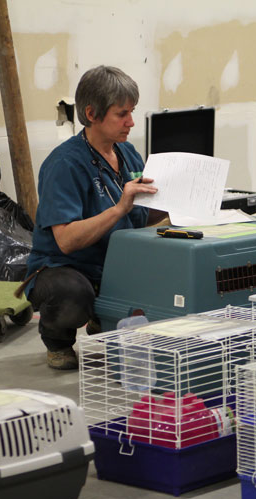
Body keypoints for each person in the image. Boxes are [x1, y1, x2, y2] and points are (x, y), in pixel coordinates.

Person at [21, 65, 162, 370]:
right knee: (72, 294)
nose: (131, 122)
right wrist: (118, 208)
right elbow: (67, 240)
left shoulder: (129, 155)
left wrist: (182, 209)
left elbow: (142, 216)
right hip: (63, 268)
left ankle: (103, 318)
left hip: (113, 263)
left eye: (132, 111)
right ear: (92, 113)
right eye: (121, 114)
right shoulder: (64, 164)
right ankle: (58, 340)